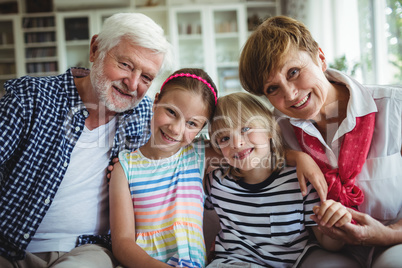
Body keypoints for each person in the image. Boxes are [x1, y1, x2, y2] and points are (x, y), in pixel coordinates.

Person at [0, 12, 173, 268]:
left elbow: (199, 137)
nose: (132, 84)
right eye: (125, 64)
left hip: (88, 250)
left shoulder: (149, 115)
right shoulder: (30, 98)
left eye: (146, 77)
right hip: (10, 245)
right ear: (95, 49)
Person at [238, 15, 402, 268]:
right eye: (272, 89)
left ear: (320, 58)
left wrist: (388, 234)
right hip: (328, 247)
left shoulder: (395, 109)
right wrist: (296, 156)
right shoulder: (277, 129)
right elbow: (232, 150)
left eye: (293, 72)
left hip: (395, 239)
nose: (290, 94)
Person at [204, 92, 351, 268]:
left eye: (245, 129)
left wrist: (336, 224)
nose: (236, 143)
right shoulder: (216, 182)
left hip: (294, 261)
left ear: (269, 131)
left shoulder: (299, 181)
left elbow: (327, 243)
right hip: (233, 262)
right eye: (225, 138)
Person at [109, 68, 219, 267]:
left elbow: (252, 149)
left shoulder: (199, 154)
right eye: (171, 112)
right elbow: (122, 243)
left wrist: (296, 157)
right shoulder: (125, 168)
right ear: (156, 101)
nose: (176, 129)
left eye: (192, 123)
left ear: (201, 130)